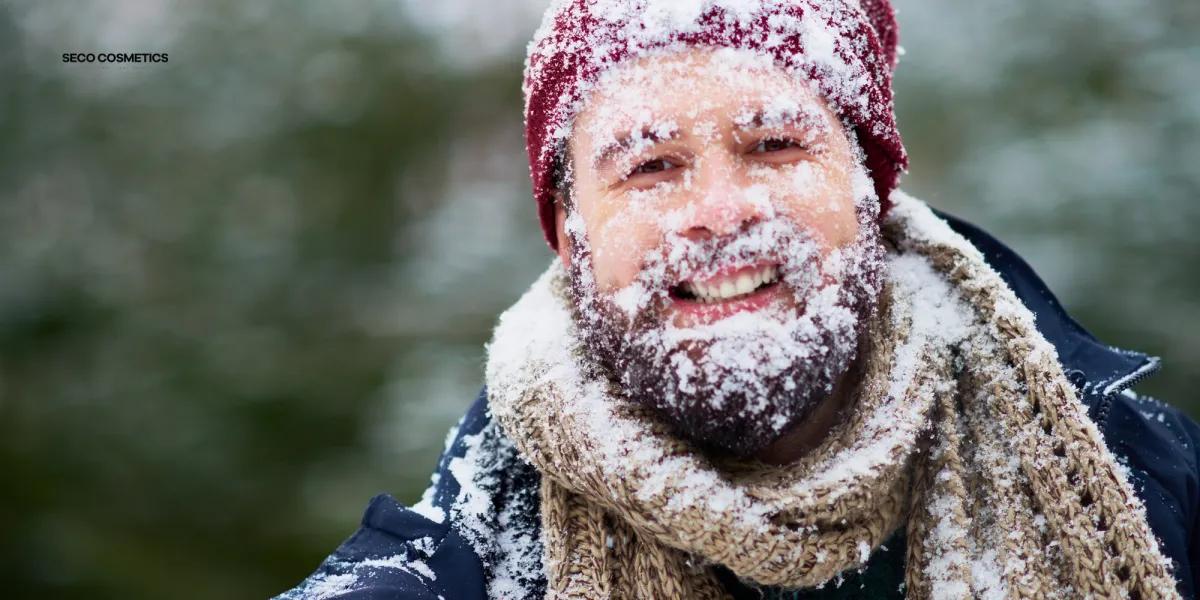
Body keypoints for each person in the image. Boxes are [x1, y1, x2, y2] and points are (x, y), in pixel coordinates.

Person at [274, 1, 1200, 598]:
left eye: (774, 147)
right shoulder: (456, 564)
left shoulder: (1157, 487)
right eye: (650, 166)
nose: (719, 212)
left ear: (870, 191)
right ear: (568, 231)